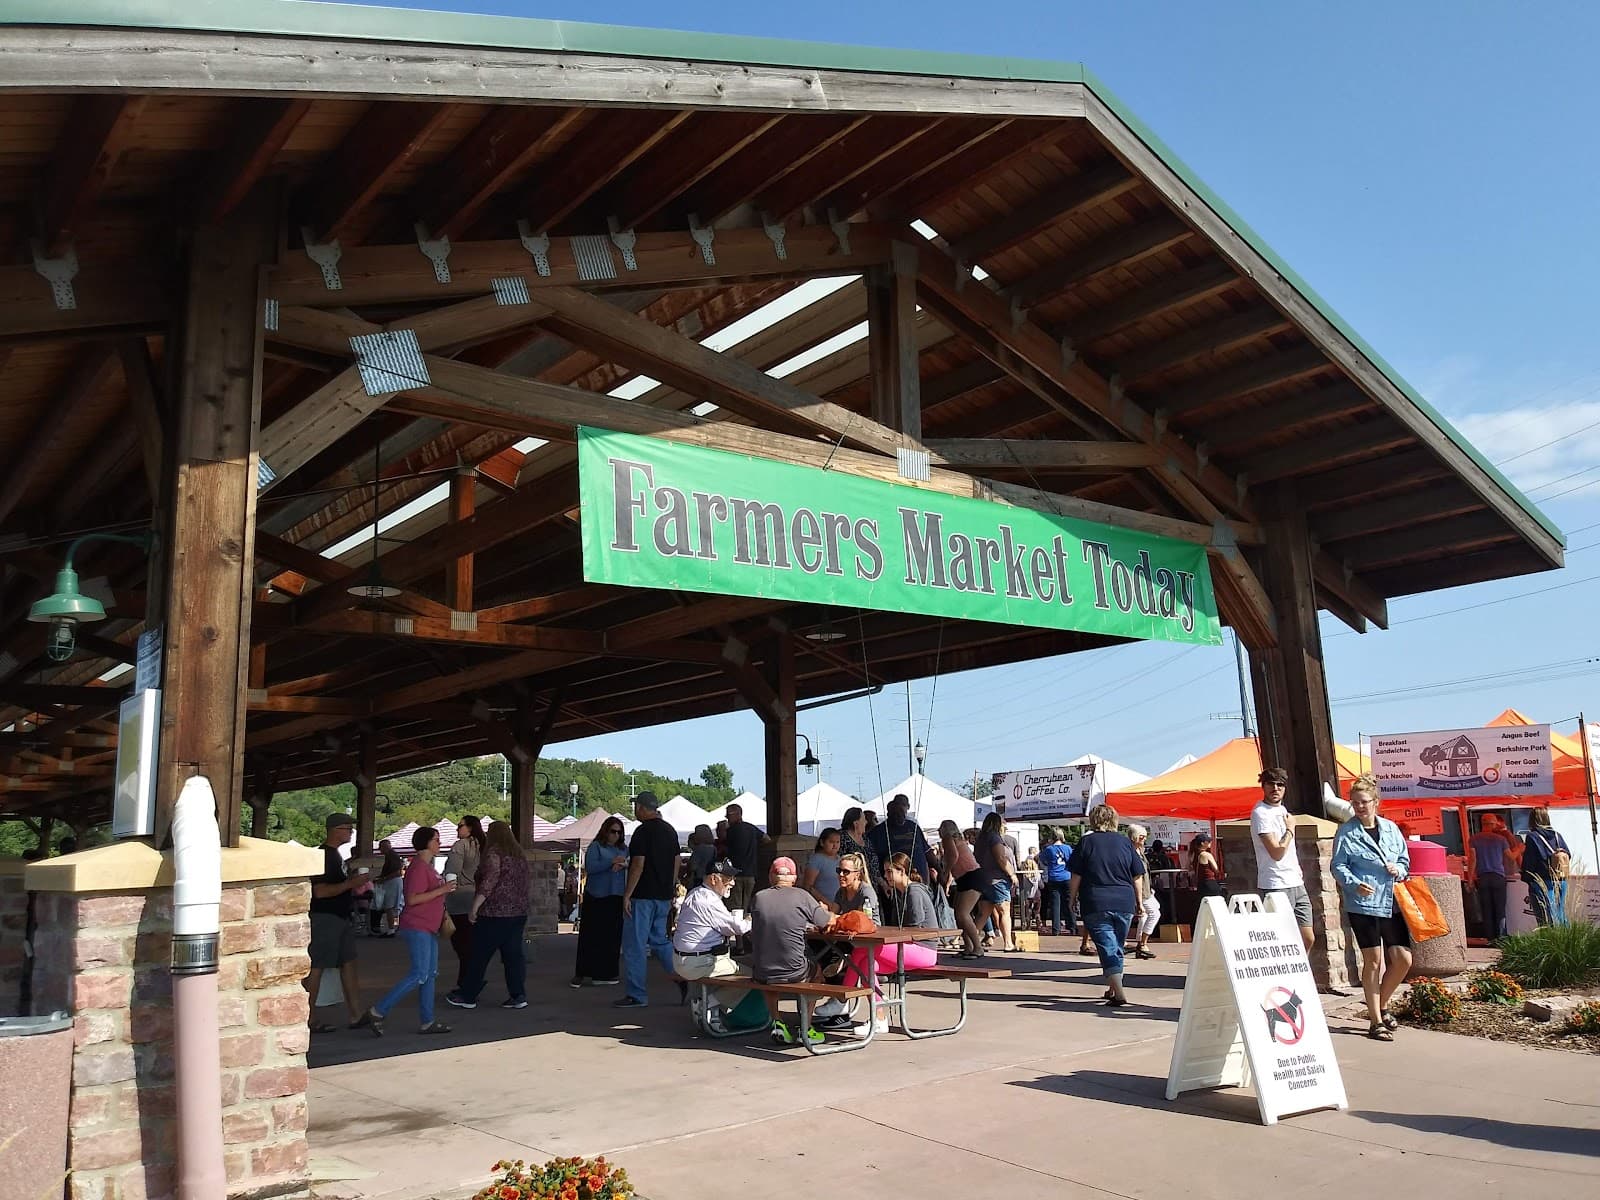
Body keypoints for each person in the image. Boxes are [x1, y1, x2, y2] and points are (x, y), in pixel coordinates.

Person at [1330, 778, 1412, 1041]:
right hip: (1364, 903)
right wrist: (1354, 883)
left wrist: (1398, 869)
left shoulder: (1390, 828)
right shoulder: (1346, 832)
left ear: (1375, 802)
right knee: (1374, 961)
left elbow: (1404, 860)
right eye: (1355, 803)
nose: (1360, 807)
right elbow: (1338, 865)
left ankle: (1381, 1004)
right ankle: (1376, 1021)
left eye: (1364, 802)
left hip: (1391, 901)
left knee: (1402, 959)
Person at [360, 825, 456, 1035]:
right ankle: (378, 1010)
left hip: (427, 925)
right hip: (418, 925)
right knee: (420, 974)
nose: (439, 844)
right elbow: (413, 899)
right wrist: (443, 889)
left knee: (429, 974)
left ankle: (427, 1020)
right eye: (437, 840)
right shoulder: (419, 868)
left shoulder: (425, 867)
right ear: (427, 843)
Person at [446, 821, 529, 1010]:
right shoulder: (519, 855)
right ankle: (518, 995)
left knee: (479, 955)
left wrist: (475, 907)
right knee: (513, 956)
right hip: (518, 912)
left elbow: (489, 882)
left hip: (494, 913)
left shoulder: (493, 853)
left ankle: (468, 995)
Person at [1068, 804, 1146, 1007]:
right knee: (1116, 946)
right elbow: (1137, 875)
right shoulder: (1125, 843)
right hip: (1124, 900)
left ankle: (1119, 993)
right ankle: (1113, 988)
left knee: (1108, 947)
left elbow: (1076, 874)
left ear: (1094, 820)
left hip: (1096, 900)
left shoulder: (1086, 842)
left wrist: (1071, 898)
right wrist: (1139, 901)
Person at [750, 858, 832, 1046]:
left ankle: (778, 1021)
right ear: (794, 878)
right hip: (795, 970)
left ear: (772, 876)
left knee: (769, 975)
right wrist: (824, 909)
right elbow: (824, 921)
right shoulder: (802, 896)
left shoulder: (759, 897)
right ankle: (806, 1027)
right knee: (816, 970)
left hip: (762, 971)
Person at [615, 792, 682, 1008]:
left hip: (642, 895)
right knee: (660, 940)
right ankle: (681, 976)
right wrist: (670, 887)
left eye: (636, 806)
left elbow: (638, 864)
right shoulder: (670, 831)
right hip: (662, 894)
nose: (635, 810)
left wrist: (627, 894)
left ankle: (637, 994)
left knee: (635, 944)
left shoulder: (642, 832)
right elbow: (677, 861)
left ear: (643, 808)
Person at [671, 857, 752, 1034]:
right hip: (697, 963)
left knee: (736, 962)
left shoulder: (696, 893)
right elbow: (736, 929)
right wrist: (751, 920)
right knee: (752, 977)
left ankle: (712, 1013)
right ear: (713, 879)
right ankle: (708, 1004)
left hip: (687, 959)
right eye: (727, 878)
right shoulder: (709, 901)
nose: (732, 882)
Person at [306, 813, 368, 1032]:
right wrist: (352, 883)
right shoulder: (325, 855)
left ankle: (356, 1014)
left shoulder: (335, 856)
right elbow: (320, 891)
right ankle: (309, 1017)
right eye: (347, 828)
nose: (351, 832)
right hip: (326, 917)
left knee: (348, 963)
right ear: (334, 830)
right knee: (317, 966)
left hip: (340, 917)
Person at [1250, 767, 1315, 952]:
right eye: (1271, 784)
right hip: (1275, 883)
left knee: (1307, 937)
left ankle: (1299, 972)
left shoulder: (1283, 810)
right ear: (1263, 786)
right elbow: (1277, 853)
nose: (1276, 788)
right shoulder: (1260, 813)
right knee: (1281, 937)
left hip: (1295, 881)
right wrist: (1290, 830)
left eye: (1280, 785)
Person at [572, 816, 629, 987]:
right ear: (606, 831)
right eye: (613, 831)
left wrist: (623, 864)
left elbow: (629, 864)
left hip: (616, 895)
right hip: (596, 895)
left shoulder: (624, 849)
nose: (616, 835)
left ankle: (607, 973)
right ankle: (583, 972)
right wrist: (611, 862)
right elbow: (591, 867)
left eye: (619, 832)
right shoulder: (596, 847)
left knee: (612, 937)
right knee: (590, 935)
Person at [443, 815, 484, 993]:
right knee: (474, 944)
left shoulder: (461, 846)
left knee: (461, 945)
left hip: (460, 899)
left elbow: (452, 873)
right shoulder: (485, 846)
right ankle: (472, 979)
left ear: (470, 827)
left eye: (460, 826)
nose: (457, 829)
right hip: (479, 898)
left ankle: (466, 983)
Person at [938, 818, 984, 958]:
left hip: (970, 876)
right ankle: (969, 946)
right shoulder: (959, 839)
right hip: (967, 876)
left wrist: (946, 871)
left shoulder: (947, 838)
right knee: (959, 914)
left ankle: (977, 947)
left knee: (962, 914)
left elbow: (953, 856)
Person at [973, 812, 1018, 952]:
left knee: (983, 913)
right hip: (997, 880)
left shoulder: (980, 838)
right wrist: (1012, 874)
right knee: (1005, 911)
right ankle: (1008, 943)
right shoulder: (994, 838)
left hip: (983, 879)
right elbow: (1001, 858)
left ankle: (972, 942)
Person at [1522, 807, 1572, 926]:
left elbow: (1530, 861)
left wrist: (1527, 878)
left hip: (1542, 880)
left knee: (1545, 915)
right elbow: (1568, 854)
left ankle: (1550, 941)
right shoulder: (1557, 835)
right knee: (1560, 913)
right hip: (1561, 879)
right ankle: (1564, 938)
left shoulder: (1532, 836)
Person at [1467, 814, 1513, 940]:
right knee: (1500, 910)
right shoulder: (1501, 839)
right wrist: (1520, 849)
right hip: (1498, 877)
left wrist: (1470, 879)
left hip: (1483, 878)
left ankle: (1490, 939)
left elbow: (1472, 859)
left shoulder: (1474, 839)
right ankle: (1501, 938)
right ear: (1493, 824)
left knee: (1486, 910)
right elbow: (1511, 857)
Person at [867, 794, 933, 883]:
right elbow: (871, 861)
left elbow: (927, 851)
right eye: (895, 812)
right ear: (888, 813)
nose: (899, 815)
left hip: (919, 879)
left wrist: (939, 870)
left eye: (902, 812)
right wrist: (882, 882)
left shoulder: (913, 826)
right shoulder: (877, 832)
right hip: (894, 884)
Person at [1127, 825, 1160, 961]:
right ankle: (1142, 944)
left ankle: (1140, 941)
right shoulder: (1131, 852)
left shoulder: (1139, 850)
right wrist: (1139, 900)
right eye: (1142, 836)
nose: (1145, 839)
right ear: (1135, 837)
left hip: (1145, 889)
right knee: (1154, 913)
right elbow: (1136, 875)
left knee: (1148, 913)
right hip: (1140, 890)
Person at [722, 803, 762, 914]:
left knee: (735, 909)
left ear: (736, 814)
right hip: (751, 874)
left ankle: (738, 931)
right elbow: (766, 839)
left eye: (728, 815)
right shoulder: (751, 828)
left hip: (736, 875)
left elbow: (725, 847)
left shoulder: (731, 831)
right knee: (748, 908)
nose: (727, 818)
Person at [838, 807, 882, 894]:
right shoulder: (842, 838)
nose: (866, 822)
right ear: (856, 823)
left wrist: (882, 883)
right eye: (864, 819)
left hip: (871, 887)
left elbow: (874, 865)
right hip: (853, 889)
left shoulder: (865, 839)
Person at [1039, 832, 1075, 936]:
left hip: (1054, 877)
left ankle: (1056, 929)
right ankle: (1072, 926)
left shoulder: (1049, 849)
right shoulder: (1067, 848)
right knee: (1069, 903)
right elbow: (1071, 861)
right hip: (1067, 877)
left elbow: (1043, 860)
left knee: (1055, 904)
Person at [370, 839, 405, 937]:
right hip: (394, 882)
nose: (380, 850)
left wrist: (383, 878)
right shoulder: (393, 856)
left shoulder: (392, 856)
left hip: (392, 882)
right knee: (394, 907)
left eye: (381, 847)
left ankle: (391, 929)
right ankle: (393, 927)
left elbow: (397, 872)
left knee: (390, 907)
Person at [803, 827, 843, 906]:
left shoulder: (840, 859)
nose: (835, 845)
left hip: (840, 905)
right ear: (822, 842)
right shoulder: (816, 859)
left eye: (837, 842)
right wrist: (828, 904)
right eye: (831, 842)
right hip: (822, 906)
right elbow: (808, 886)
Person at [1189, 833, 1225, 900]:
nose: (1210, 842)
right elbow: (1216, 870)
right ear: (1202, 843)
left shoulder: (1193, 855)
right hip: (1210, 883)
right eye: (1208, 841)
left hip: (1200, 884)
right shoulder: (1206, 854)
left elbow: (1189, 867)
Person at [686, 824, 716, 888]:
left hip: (698, 879)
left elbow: (693, 867)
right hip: (709, 877)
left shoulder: (699, 849)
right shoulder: (713, 848)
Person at [1019, 848, 1042, 930]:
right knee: (1037, 910)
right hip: (1036, 893)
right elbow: (1041, 884)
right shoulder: (1037, 874)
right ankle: (1038, 923)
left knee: (1028, 910)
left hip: (1027, 894)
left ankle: (1028, 924)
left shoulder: (1024, 875)